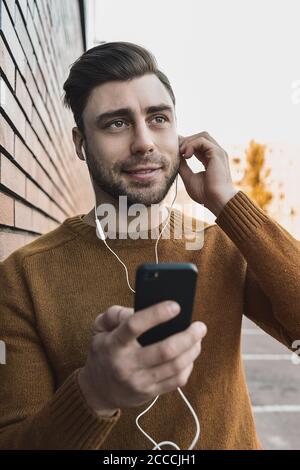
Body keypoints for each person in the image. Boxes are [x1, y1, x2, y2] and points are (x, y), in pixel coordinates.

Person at [0, 42, 299, 450]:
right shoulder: (21, 278)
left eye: (158, 118)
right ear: (80, 142)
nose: (144, 142)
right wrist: (94, 393)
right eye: (116, 124)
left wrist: (227, 203)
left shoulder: (222, 245)